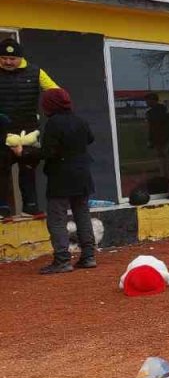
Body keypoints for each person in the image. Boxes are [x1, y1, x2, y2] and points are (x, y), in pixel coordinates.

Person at [37, 88, 96, 274]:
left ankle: (62, 259)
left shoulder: (53, 123)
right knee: (82, 214)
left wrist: (25, 153)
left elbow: (48, 152)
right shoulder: (80, 120)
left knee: (57, 218)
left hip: (61, 176)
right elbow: (90, 139)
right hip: (82, 173)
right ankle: (88, 256)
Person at [0, 38, 58, 218]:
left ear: (21, 58)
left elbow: (55, 92)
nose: (8, 62)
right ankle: (2, 209)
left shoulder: (36, 72)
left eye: (12, 59)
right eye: (3, 58)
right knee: (1, 170)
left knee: (28, 170)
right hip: (2, 132)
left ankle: (30, 207)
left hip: (28, 132)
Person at [144, 93, 169, 180]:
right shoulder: (164, 109)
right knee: (165, 158)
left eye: (148, 100)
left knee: (163, 157)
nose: (146, 102)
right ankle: (168, 176)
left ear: (153, 100)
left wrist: (150, 139)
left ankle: (166, 176)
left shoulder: (152, 112)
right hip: (163, 138)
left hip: (161, 138)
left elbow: (151, 128)